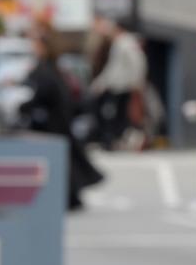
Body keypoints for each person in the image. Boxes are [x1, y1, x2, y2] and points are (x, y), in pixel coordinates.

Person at [19, 30, 104, 209]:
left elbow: (42, 92)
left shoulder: (46, 68)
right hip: (58, 118)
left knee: (60, 159)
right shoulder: (51, 67)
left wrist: (24, 107)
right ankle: (72, 196)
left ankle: (71, 196)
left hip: (53, 120)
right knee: (66, 157)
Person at [88, 16, 147, 149]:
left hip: (121, 86)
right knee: (118, 115)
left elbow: (135, 63)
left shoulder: (124, 42)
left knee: (117, 115)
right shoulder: (122, 42)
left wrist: (136, 82)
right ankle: (116, 140)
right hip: (118, 85)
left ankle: (116, 140)